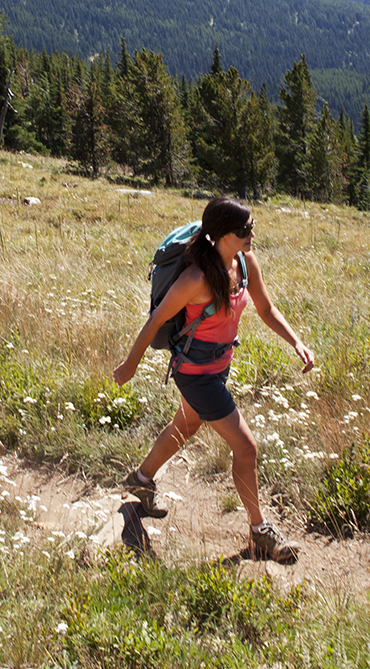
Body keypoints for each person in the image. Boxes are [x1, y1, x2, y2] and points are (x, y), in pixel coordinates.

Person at [112, 195, 316, 562]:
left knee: (186, 425)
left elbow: (266, 309)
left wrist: (296, 341)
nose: (251, 234)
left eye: (251, 227)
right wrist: (130, 364)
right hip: (195, 374)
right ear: (223, 234)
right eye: (245, 230)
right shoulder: (196, 278)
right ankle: (260, 533)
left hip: (218, 367)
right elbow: (156, 320)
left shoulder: (244, 261)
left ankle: (140, 482)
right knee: (247, 447)